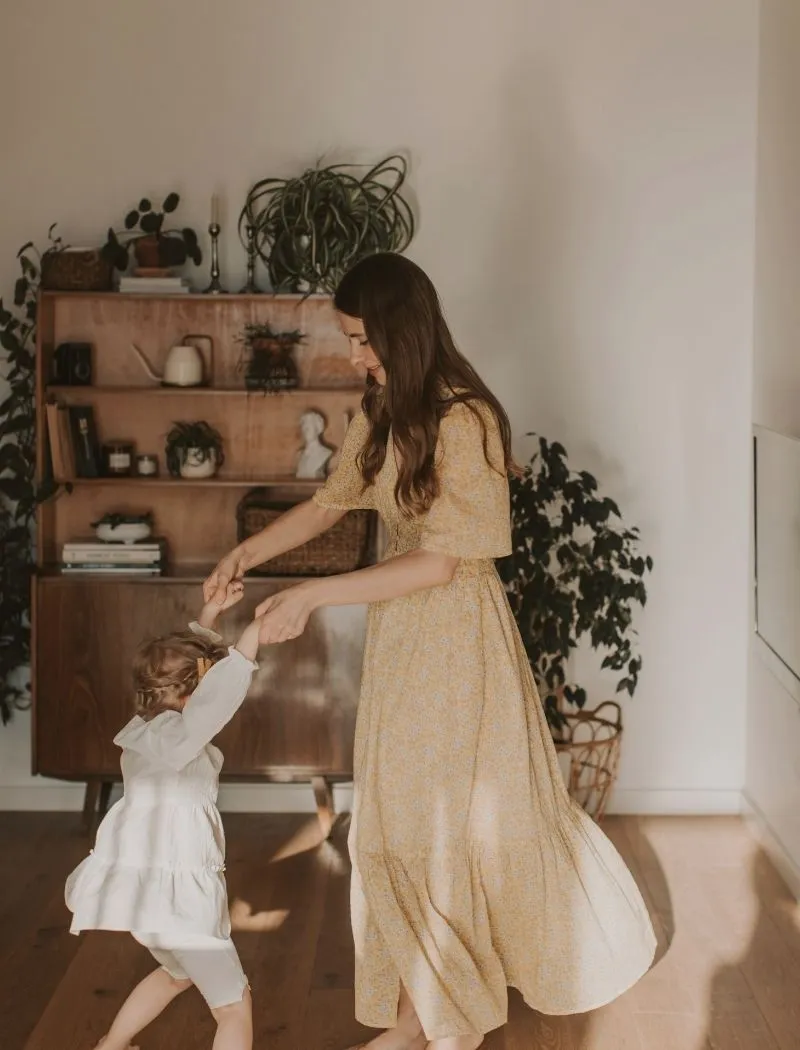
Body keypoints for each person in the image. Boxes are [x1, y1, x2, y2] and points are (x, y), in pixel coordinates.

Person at [204, 252, 656, 1050]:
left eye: (362, 340)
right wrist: (245, 554)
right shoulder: (383, 409)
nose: (354, 357)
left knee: (440, 832)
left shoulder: (464, 420)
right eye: (348, 340)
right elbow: (327, 505)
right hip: (402, 639)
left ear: (401, 330)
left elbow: (441, 562)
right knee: (390, 831)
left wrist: (311, 595)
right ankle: (435, 1017)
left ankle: (435, 1022)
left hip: (455, 640)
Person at [65, 581, 261, 1050]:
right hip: (183, 906)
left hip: (147, 905)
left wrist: (210, 614)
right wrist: (254, 633)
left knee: (176, 974)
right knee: (233, 1006)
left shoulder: (145, 733)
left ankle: (110, 1046)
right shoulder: (184, 739)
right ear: (197, 692)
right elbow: (222, 692)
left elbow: (191, 673)